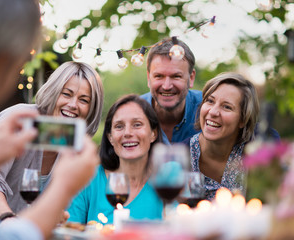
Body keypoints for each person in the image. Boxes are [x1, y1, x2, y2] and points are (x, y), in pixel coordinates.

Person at [0, 0, 99, 239]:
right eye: (18, 65)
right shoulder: (22, 118)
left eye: (84, 100)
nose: (73, 105)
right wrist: (62, 189)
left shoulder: (65, 144)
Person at [0, 61, 104, 219]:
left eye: (84, 100)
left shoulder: (69, 145)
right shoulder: (25, 121)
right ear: (54, 92)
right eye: (66, 94)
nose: (73, 105)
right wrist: (6, 218)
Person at [141, 38, 279, 144]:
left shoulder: (210, 108)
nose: (166, 86)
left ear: (191, 77)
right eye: (159, 76)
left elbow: (260, 134)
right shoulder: (130, 111)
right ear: (148, 77)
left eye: (176, 76)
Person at [67, 94, 164, 224]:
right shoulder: (87, 179)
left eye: (137, 124)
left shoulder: (166, 184)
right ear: (110, 137)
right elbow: (68, 233)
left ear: (153, 133)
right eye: (119, 126)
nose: (128, 133)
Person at [187, 72, 260, 200]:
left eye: (227, 107)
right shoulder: (181, 155)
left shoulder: (254, 156)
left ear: (243, 119)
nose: (213, 112)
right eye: (210, 101)